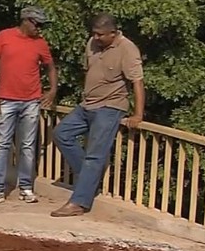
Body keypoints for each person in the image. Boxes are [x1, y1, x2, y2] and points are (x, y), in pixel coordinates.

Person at [51, 13, 145, 217]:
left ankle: (79, 202)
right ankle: (89, 178)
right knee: (61, 134)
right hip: (87, 105)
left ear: (113, 33)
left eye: (100, 35)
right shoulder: (92, 43)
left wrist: (138, 114)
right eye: (93, 33)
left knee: (94, 155)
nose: (96, 38)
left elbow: (137, 81)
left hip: (110, 107)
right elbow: (89, 70)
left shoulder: (127, 48)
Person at [0, 5, 57, 206]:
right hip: (6, 99)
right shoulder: (4, 37)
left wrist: (52, 90)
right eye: (37, 24)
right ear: (26, 20)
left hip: (31, 100)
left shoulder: (40, 43)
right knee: (3, 145)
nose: (39, 28)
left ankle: (26, 187)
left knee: (27, 146)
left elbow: (50, 67)